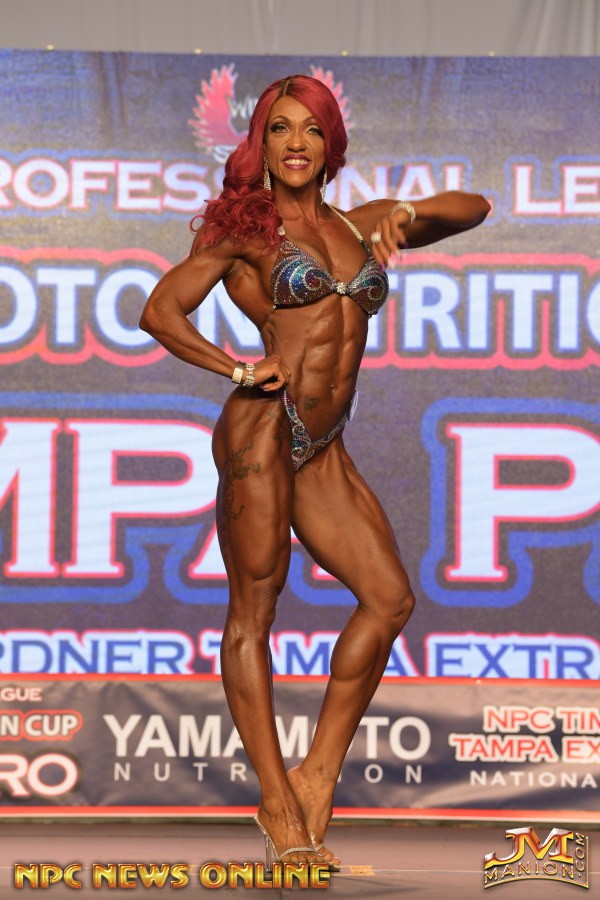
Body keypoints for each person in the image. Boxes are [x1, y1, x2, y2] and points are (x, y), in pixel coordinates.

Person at [139, 73, 490, 869]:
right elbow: (159, 310)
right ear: (260, 144)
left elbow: (476, 208)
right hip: (263, 432)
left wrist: (408, 216)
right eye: (280, 128)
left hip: (323, 443)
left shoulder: (359, 228)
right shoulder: (242, 231)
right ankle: (275, 801)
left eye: (312, 129)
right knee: (253, 616)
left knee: (389, 598)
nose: (296, 143)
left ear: (332, 144)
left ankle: (317, 772)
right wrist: (236, 368)